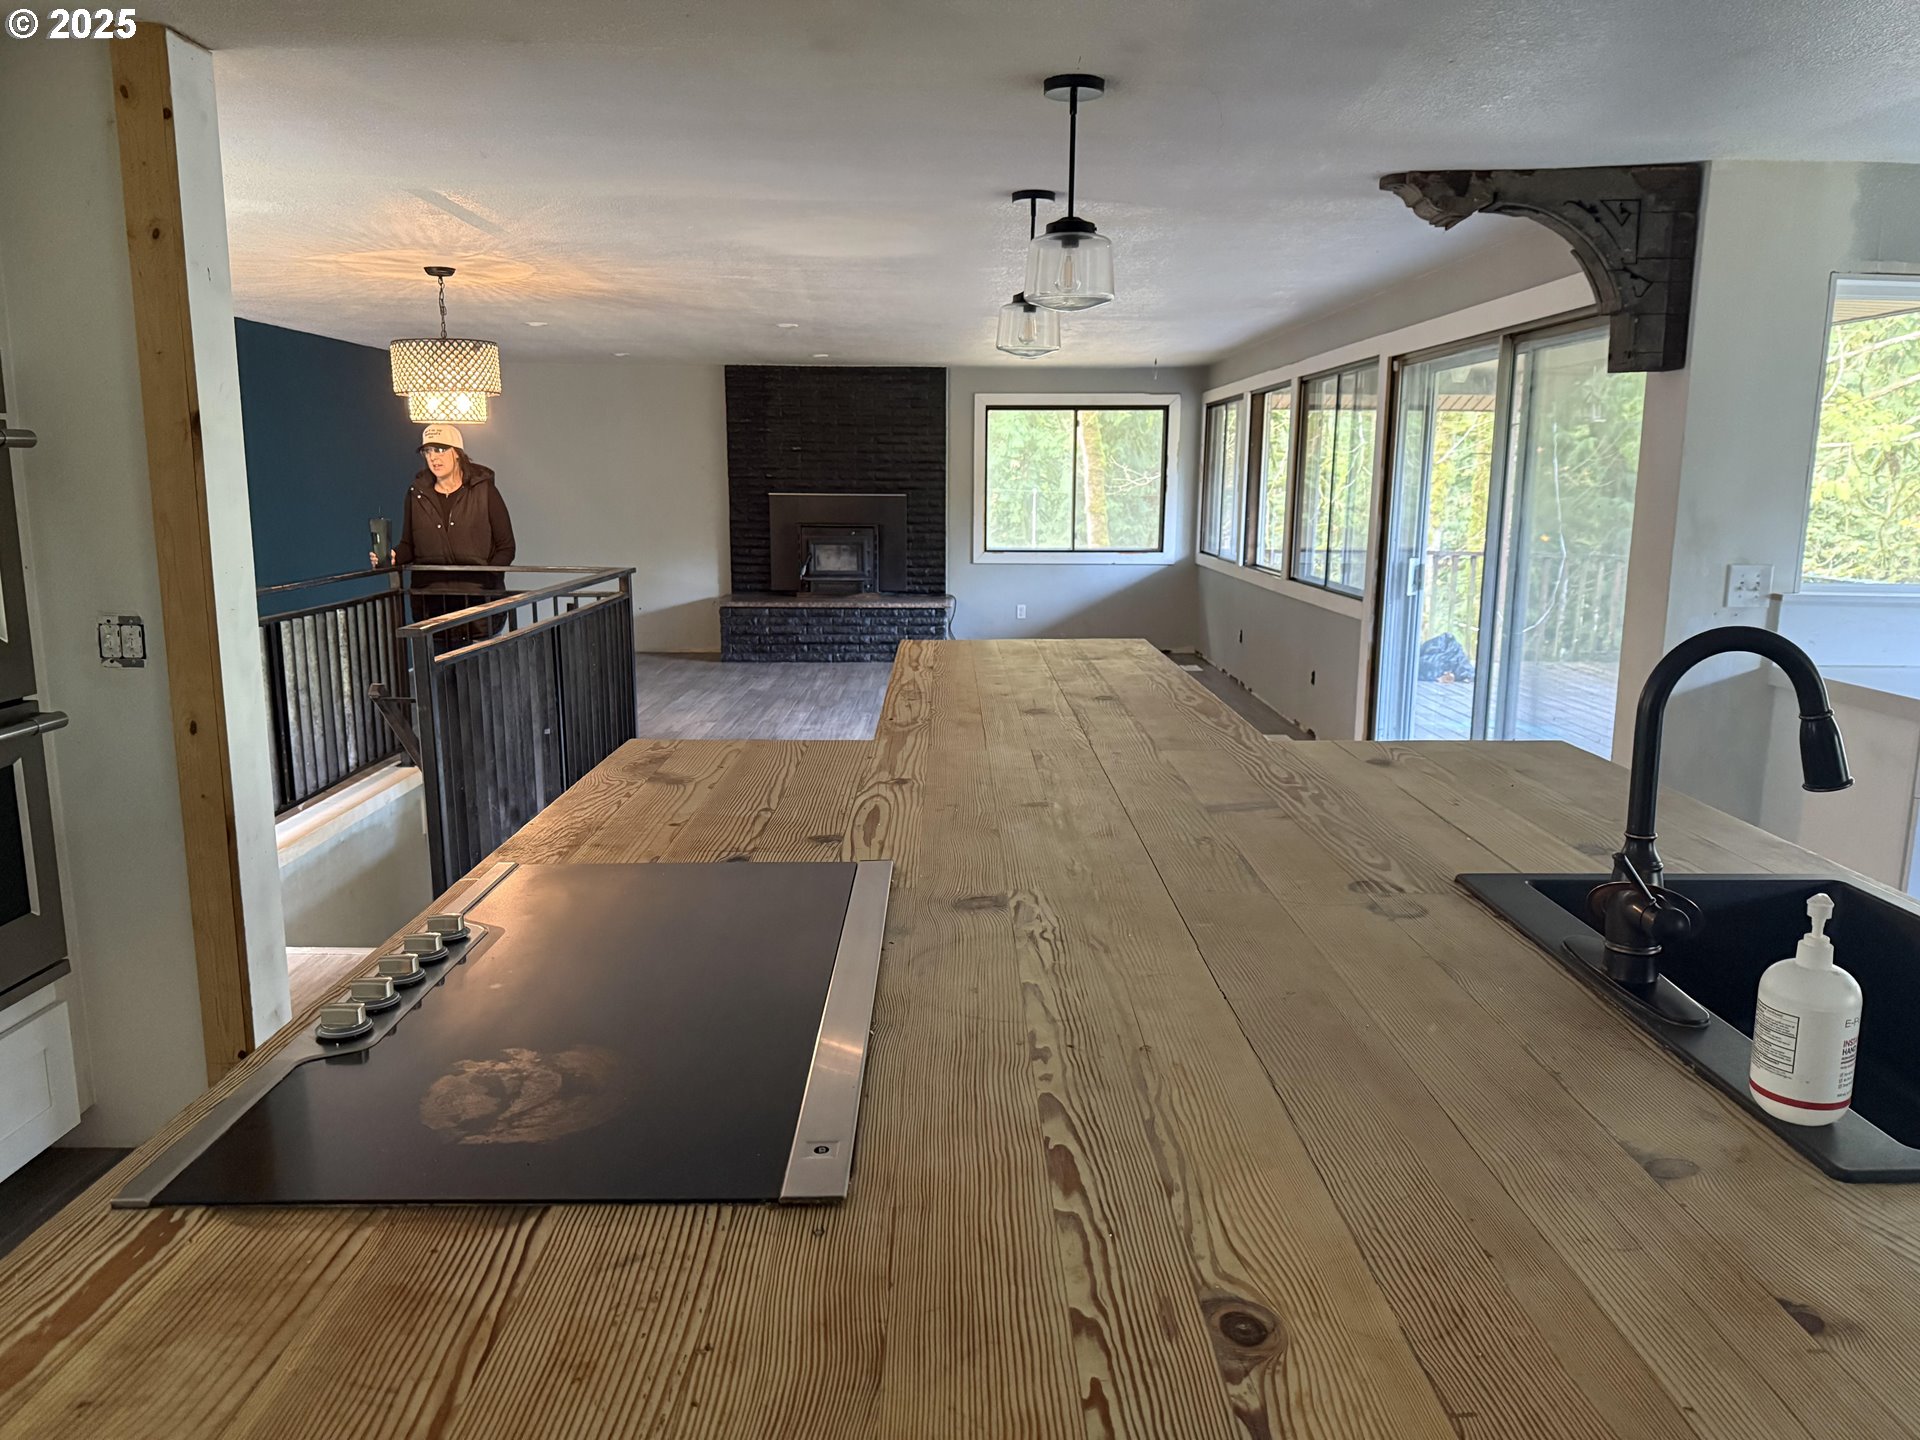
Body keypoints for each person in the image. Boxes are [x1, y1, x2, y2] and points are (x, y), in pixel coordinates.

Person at [374, 423, 517, 647]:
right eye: (428, 451)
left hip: (478, 607)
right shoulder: (416, 494)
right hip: (432, 607)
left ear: (457, 453)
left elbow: (506, 546)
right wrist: (393, 557)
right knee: (438, 677)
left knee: (479, 676)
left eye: (440, 450)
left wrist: (487, 578)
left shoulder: (484, 491)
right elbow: (409, 544)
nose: (433, 458)